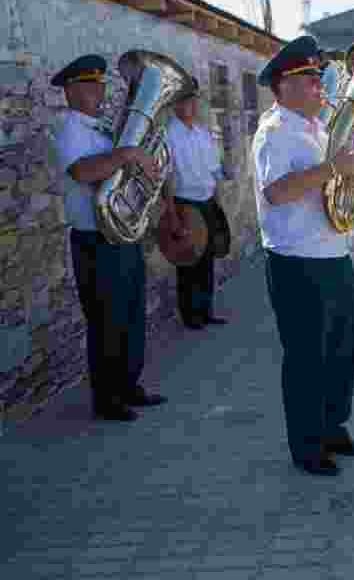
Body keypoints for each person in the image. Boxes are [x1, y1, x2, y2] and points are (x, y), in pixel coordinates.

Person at [251, 36, 354, 477]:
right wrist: (331, 169)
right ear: (283, 84)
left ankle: (332, 428)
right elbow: (277, 191)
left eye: (316, 76)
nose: (318, 84)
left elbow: (336, 181)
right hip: (296, 261)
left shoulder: (316, 127)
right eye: (308, 78)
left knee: (342, 352)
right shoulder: (274, 132)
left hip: (332, 253)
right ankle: (307, 447)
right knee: (306, 357)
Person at [51, 54, 165, 422]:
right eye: (90, 84)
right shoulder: (71, 128)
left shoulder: (101, 129)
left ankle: (129, 385)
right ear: (71, 90)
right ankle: (107, 399)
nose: (99, 91)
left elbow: (121, 168)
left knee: (131, 316)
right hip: (94, 241)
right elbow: (84, 172)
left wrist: (145, 164)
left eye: (100, 84)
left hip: (119, 234)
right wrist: (128, 154)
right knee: (106, 323)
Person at [163, 77, 230, 330]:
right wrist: (173, 217)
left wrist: (218, 204)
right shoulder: (168, 134)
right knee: (188, 262)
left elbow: (214, 171)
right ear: (175, 103)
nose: (189, 104)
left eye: (192, 99)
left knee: (207, 258)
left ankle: (206, 311)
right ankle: (191, 316)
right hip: (185, 204)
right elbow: (166, 179)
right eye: (183, 99)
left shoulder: (203, 133)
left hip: (207, 202)